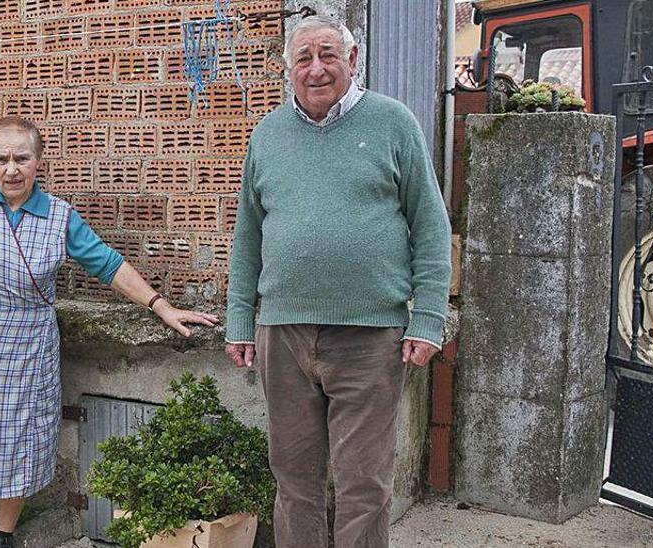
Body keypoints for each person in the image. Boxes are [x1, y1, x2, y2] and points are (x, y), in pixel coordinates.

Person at [0, 116, 219, 548]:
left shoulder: (59, 216)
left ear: (38, 162)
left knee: (17, 439)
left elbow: (107, 264)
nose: (11, 169)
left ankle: (3, 535)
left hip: (28, 347)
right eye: (2, 159)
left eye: (22, 158)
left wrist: (161, 306)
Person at [223, 15, 451, 548]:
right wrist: (239, 320)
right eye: (303, 58)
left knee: (363, 484)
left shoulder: (394, 123)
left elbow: (431, 225)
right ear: (287, 69)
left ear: (353, 60)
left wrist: (429, 318)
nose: (316, 68)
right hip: (283, 333)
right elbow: (248, 236)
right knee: (294, 480)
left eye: (329, 54)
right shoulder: (268, 133)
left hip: (370, 337)